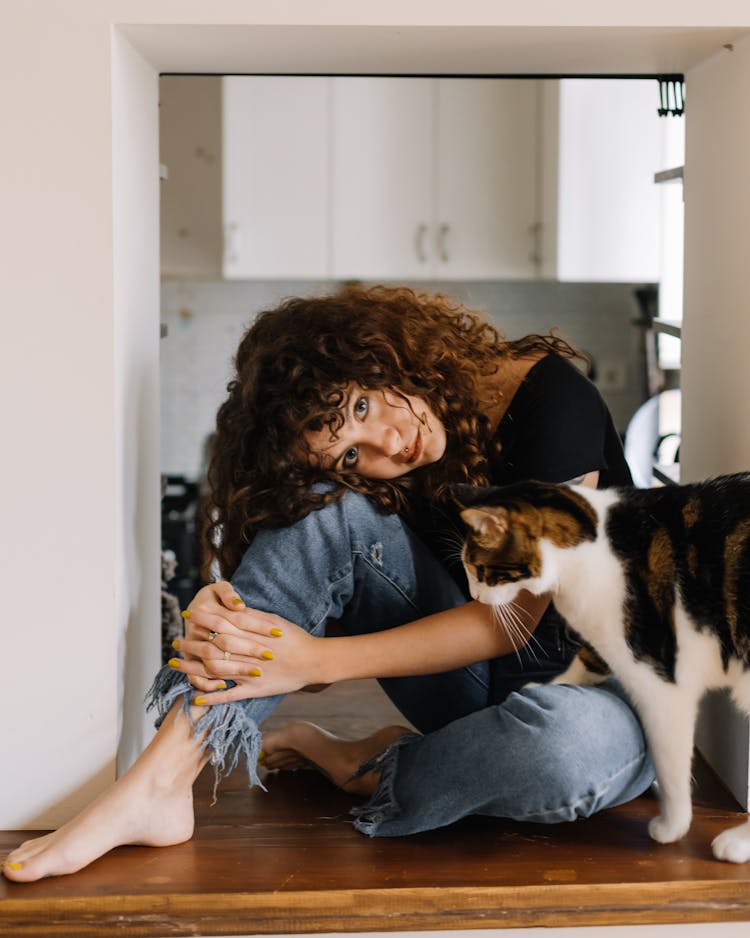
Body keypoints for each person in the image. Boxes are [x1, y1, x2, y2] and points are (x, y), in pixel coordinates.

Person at [2, 285, 654, 882]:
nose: (388, 446)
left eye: (364, 405)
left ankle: (372, 764)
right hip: (474, 692)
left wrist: (312, 657)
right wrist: (228, 615)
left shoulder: (547, 401)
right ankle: (160, 783)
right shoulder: (385, 471)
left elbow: (512, 620)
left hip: (607, 690)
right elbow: (313, 641)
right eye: (350, 454)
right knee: (324, 508)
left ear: (380, 352)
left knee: (566, 754)